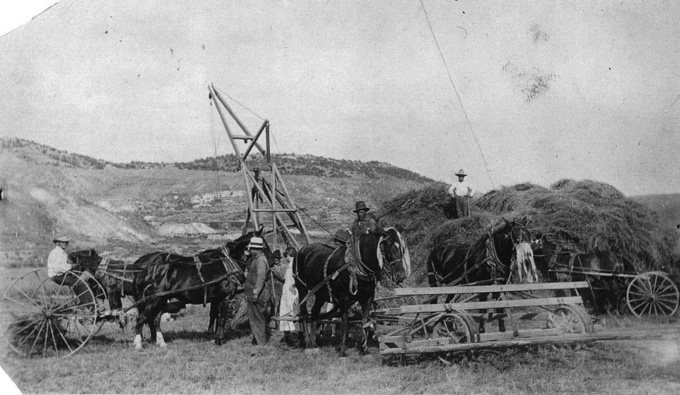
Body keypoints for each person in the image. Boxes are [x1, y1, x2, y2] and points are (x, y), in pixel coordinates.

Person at [47, 236, 95, 308]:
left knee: (83, 282)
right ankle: (91, 306)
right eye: (63, 242)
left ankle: (85, 302)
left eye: (66, 242)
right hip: (57, 276)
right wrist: (71, 266)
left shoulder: (62, 252)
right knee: (80, 283)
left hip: (63, 275)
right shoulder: (56, 252)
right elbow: (58, 268)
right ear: (58, 243)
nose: (65, 244)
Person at [244, 236, 272, 346]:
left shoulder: (261, 261)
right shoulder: (257, 260)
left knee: (258, 318)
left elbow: (261, 278)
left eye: (251, 249)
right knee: (254, 317)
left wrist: (256, 293)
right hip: (253, 293)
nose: (250, 251)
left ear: (255, 249)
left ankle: (260, 342)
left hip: (258, 294)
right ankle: (258, 340)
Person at [278, 247, 299, 346]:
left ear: (288, 255)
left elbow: (295, 276)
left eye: (286, 256)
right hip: (288, 289)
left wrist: (293, 285)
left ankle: (291, 334)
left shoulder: (293, 265)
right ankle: (288, 334)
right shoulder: (291, 265)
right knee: (287, 310)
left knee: (290, 310)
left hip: (290, 290)